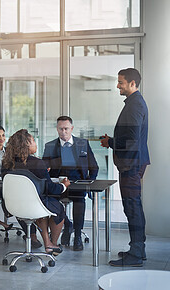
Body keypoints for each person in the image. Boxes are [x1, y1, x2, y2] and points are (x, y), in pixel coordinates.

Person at [100, 68, 150, 267]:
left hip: (131, 163)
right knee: (133, 206)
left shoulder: (135, 105)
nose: (117, 86)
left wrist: (112, 143)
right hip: (133, 161)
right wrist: (111, 141)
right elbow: (130, 138)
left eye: (120, 82)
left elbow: (131, 141)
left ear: (132, 83)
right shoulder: (134, 103)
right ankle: (138, 249)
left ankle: (136, 253)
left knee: (132, 207)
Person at [2, 129, 70, 255]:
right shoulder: (37, 163)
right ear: (26, 144)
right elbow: (51, 189)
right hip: (35, 205)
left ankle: (47, 242)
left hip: (14, 206)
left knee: (41, 206)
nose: (35, 143)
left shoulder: (7, 163)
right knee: (57, 208)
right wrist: (63, 185)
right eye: (33, 141)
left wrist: (43, 173)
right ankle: (53, 244)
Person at [43, 116, 99, 251]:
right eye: (60, 129)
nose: (63, 132)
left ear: (71, 129)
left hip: (78, 183)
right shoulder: (50, 146)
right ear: (57, 129)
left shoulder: (82, 144)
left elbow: (94, 166)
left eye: (66, 129)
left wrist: (89, 182)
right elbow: (44, 169)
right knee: (49, 201)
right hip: (58, 184)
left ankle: (78, 235)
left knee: (79, 201)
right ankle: (68, 224)